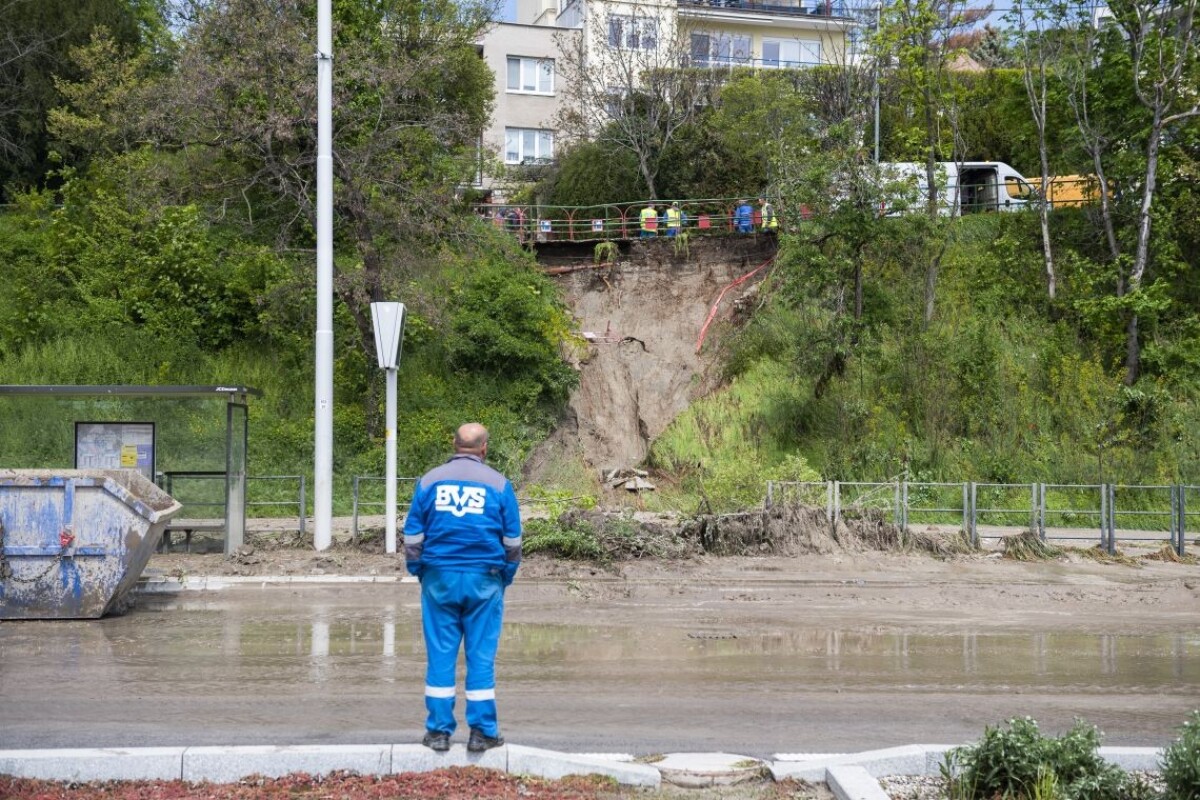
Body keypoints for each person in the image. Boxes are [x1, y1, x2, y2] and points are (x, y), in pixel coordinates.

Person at [403, 423, 522, 753]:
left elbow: (413, 536)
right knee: (481, 658)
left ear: (454, 445)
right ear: (484, 448)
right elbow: (512, 543)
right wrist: (504, 577)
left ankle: (439, 732)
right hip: (485, 580)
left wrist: (420, 572)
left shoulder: (429, 481)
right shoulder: (499, 485)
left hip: (438, 578)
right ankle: (482, 732)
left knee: (440, 655)